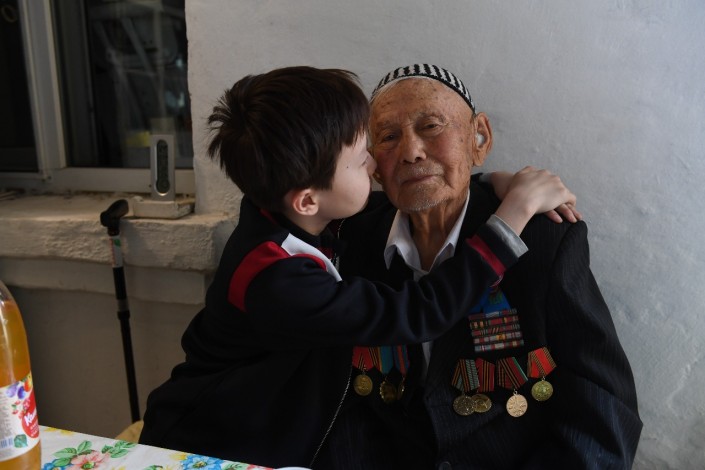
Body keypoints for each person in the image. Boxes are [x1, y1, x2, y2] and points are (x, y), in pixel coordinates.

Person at [139, 66, 579, 468]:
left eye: (430, 127)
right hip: (214, 447)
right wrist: (512, 216)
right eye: (373, 145)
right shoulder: (280, 281)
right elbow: (420, 312)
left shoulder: (288, 209)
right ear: (307, 199)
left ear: (478, 136)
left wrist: (488, 182)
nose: (379, 162)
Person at [319, 64, 643, 469]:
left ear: (480, 139)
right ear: (374, 165)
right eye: (388, 136)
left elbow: (603, 412)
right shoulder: (350, 240)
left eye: (431, 127)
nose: (411, 151)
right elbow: (340, 403)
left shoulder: (543, 240)